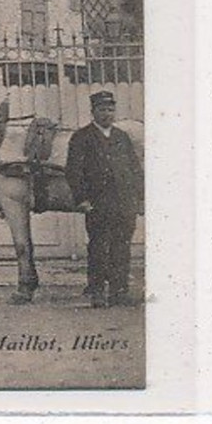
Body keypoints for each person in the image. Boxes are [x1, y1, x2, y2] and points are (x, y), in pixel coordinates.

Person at [66, 90, 145, 308]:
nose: (107, 114)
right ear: (93, 112)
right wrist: (81, 199)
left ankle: (120, 292)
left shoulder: (122, 137)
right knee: (99, 247)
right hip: (97, 203)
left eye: (110, 109)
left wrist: (140, 198)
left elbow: (135, 169)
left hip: (124, 202)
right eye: (102, 110)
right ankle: (98, 291)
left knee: (122, 247)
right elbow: (73, 171)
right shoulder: (82, 137)